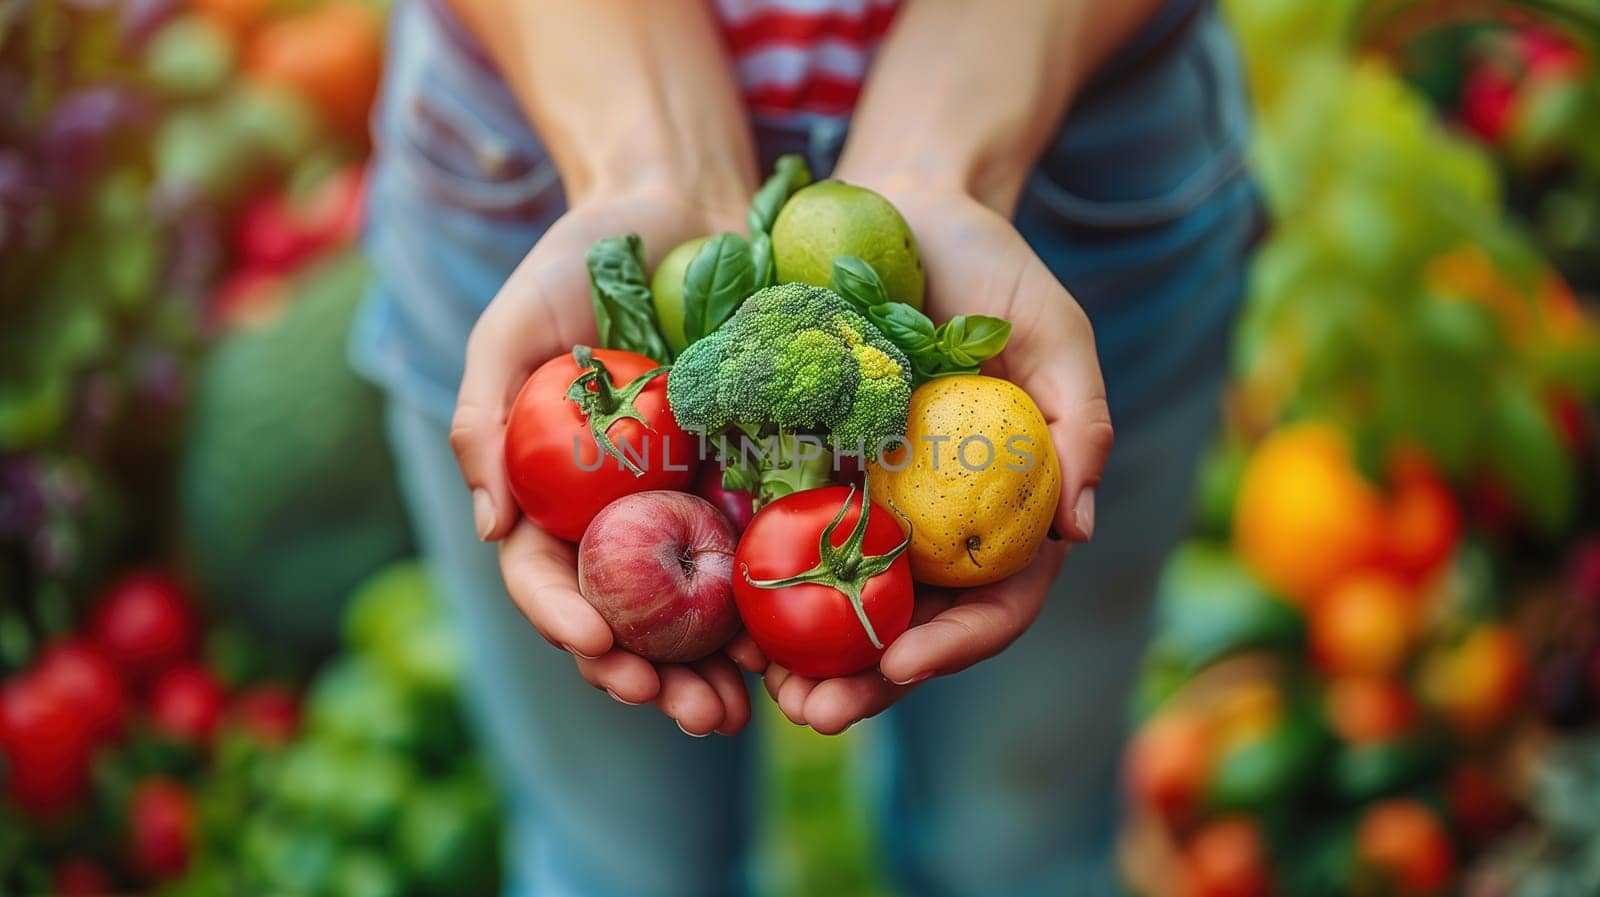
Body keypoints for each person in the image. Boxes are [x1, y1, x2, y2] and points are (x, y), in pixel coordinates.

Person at [355, 1, 1262, 894]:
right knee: (618, 872)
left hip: (1080, 154)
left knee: (1022, 854)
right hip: (534, 137)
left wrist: (941, 156)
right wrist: (650, 162)